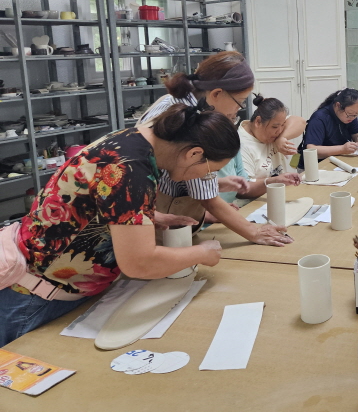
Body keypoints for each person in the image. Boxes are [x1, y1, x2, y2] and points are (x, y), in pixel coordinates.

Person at [0, 104, 235, 346]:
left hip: (52, 286)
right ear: (194, 154)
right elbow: (139, 263)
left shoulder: (131, 140)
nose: (204, 177)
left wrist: (146, 217)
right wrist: (202, 253)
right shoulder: (131, 168)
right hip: (36, 297)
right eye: (210, 171)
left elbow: (98, 201)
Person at [138, 52, 292, 247]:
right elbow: (208, 199)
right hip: (149, 223)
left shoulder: (176, 103)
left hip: (155, 216)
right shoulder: (190, 119)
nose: (238, 110)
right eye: (240, 101)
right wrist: (255, 232)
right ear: (216, 93)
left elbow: (182, 177)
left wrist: (215, 183)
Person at [218, 95, 305, 206]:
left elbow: (300, 121)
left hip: (279, 195)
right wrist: (275, 181)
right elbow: (244, 189)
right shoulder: (241, 144)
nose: (279, 131)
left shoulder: (272, 134)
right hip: (256, 203)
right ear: (258, 122)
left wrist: (282, 137)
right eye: (275, 127)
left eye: (282, 125)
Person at [299, 88, 358, 167]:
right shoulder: (319, 118)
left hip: (338, 160)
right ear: (338, 105)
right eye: (350, 114)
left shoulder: (350, 116)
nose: (353, 117)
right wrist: (342, 149)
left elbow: (356, 132)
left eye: (356, 114)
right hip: (316, 166)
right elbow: (311, 149)